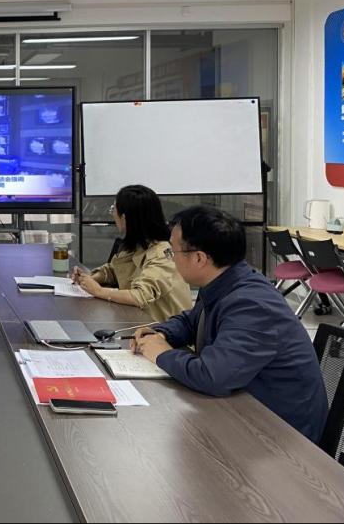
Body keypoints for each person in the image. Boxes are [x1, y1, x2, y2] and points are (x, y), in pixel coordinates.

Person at [131, 206, 328, 442]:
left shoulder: (252, 305)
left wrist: (162, 354)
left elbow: (212, 376)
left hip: (282, 438)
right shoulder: (224, 281)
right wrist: (161, 333)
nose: (171, 258)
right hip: (245, 411)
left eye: (172, 252)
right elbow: (193, 321)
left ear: (199, 258)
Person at [72, 185, 193, 322]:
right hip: (140, 322)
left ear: (124, 219)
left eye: (113, 210)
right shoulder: (139, 244)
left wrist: (98, 291)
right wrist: (89, 279)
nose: (113, 215)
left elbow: (140, 296)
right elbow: (114, 270)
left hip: (165, 330)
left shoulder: (162, 254)